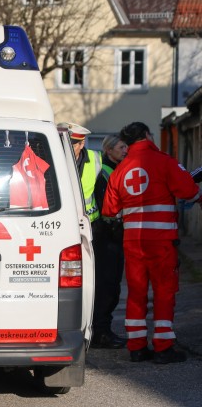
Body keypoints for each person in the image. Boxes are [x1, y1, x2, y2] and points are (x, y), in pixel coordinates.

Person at [103, 122, 202, 364]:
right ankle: (163, 347)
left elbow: (109, 209)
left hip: (133, 242)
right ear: (147, 135)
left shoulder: (119, 171)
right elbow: (188, 189)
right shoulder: (164, 161)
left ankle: (136, 347)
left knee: (136, 293)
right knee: (164, 292)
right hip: (161, 241)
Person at [90, 134, 128, 348]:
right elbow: (107, 207)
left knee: (111, 286)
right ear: (109, 150)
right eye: (122, 147)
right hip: (106, 236)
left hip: (111, 235)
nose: (125, 150)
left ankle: (102, 330)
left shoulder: (115, 169)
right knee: (107, 286)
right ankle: (101, 333)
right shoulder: (105, 172)